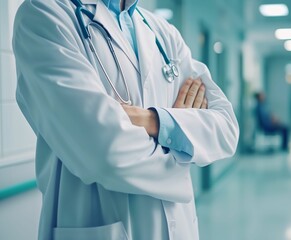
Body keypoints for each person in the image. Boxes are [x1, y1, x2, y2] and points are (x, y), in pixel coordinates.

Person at [12, 0, 239, 239]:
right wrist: (183, 148)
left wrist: (153, 120)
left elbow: (226, 128)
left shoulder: (163, 33)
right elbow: (105, 154)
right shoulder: (45, 15)